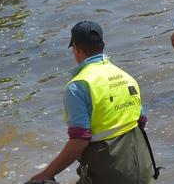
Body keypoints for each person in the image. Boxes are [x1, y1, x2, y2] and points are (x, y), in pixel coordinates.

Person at [28, 21, 160, 184]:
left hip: (111, 174)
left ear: (75, 48)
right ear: (103, 45)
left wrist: (46, 174)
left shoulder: (78, 86)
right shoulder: (126, 77)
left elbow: (79, 141)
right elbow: (141, 121)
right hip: (143, 170)